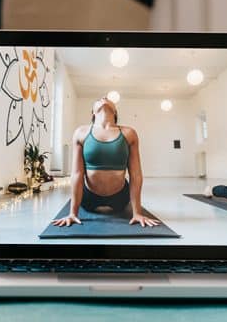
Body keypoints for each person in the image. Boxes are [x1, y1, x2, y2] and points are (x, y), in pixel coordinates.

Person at [52, 97, 161, 228]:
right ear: (93, 112)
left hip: (120, 197)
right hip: (88, 197)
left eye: (108, 99)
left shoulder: (129, 133)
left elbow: (136, 174)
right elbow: (77, 174)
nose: (104, 98)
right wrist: (72, 213)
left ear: (115, 112)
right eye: (98, 99)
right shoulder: (81, 132)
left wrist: (137, 213)